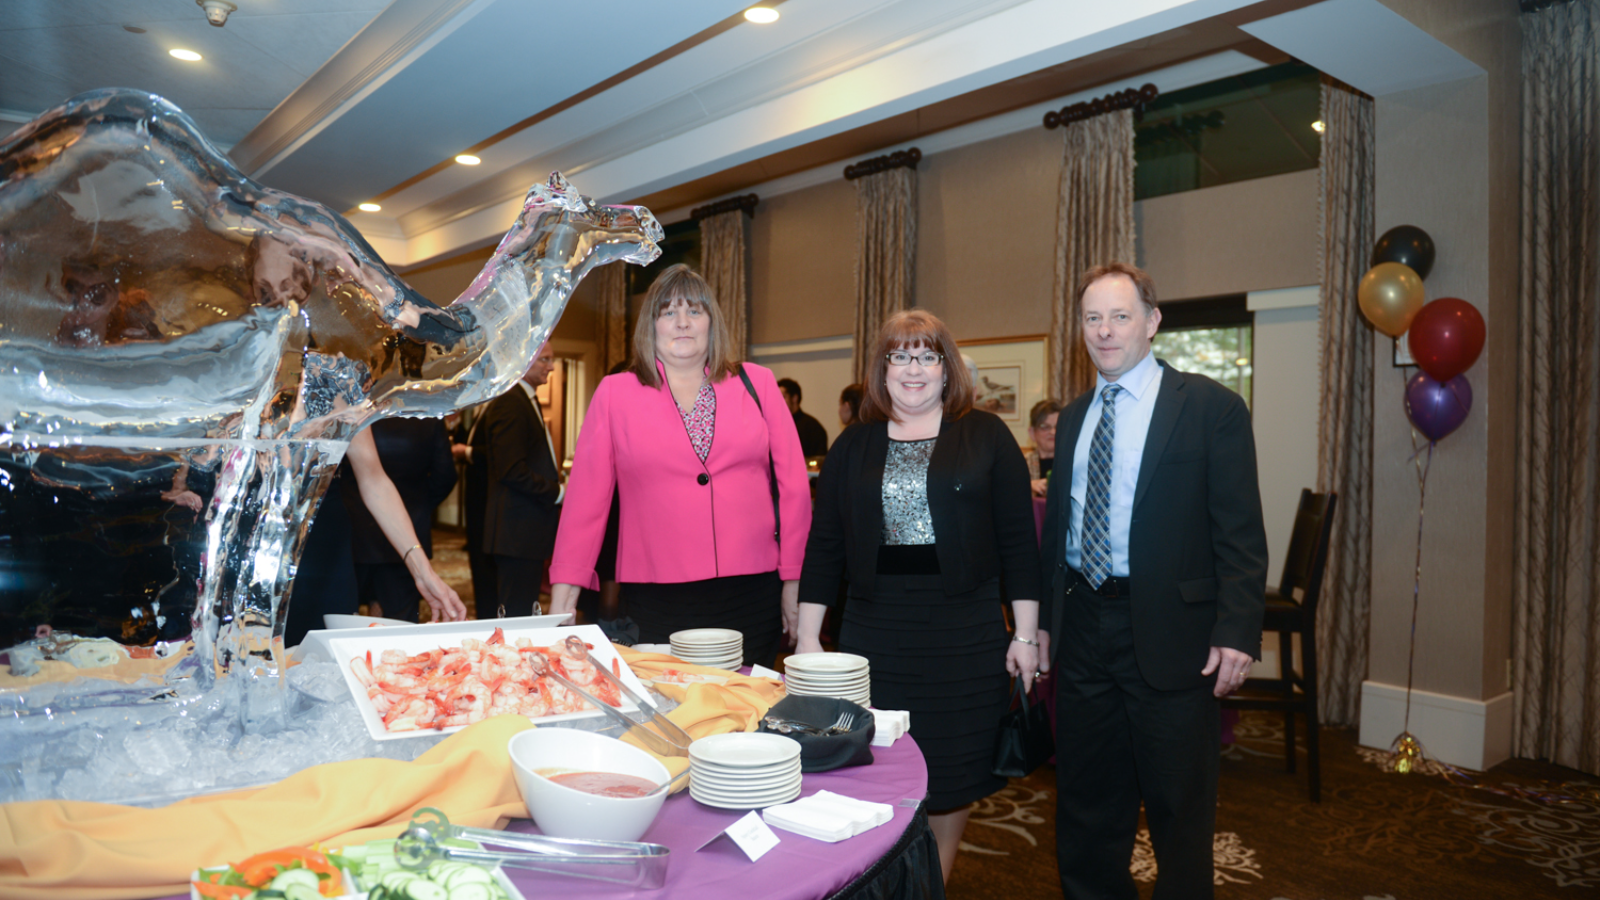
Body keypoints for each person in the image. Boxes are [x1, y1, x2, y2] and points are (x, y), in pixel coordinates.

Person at [1039, 262, 1267, 900]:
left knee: (1179, 810)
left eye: (1119, 316)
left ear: (1152, 321)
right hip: (1085, 632)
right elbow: (1057, 533)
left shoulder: (1211, 409)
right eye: (1092, 318)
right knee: (1087, 805)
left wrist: (1237, 631)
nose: (1105, 331)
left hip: (1175, 634)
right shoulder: (1077, 415)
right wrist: (1046, 629)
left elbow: (1241, 533)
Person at [796, 309, 1041, 885]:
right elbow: (825, 544)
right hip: (874, 634)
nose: (913, 368)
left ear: (946, 368)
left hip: (965, 634)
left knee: (952, 778)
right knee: (873, 767)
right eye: (900, 356)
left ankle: (931, 887)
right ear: (882, 370)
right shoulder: (853, 445)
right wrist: (808, 637)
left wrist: (1026, 636)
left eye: (927, 356)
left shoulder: (986, 435)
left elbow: (1018, 545)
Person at [548, 264, 810, 667]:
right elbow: (585, 505)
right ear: (651, 325)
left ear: (712, 322)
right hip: (656, 595)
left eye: (695, 310)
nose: (682, 322)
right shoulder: (615, 393)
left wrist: (794, 581)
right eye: (668, 312)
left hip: (752, 591)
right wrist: (563, 601)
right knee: (670, 710)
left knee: (747, 709)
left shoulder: (757, 383)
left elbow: (794, 490)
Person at [285, 427, 466, 647]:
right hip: (249, 537)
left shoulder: (341, 394)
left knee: (323, 655)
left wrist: (423, 572)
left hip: (323, 542)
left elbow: (373, 479)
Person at [479, 343, 563, 619]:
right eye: (545, 360)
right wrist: (558, 492)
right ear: (524, 361)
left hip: (524, 532)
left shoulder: (525, 399)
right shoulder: (510, 401)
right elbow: (511, 470)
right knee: (515, 614)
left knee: (524, 609)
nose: (550, 367)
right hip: (515, 532)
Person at [348, 417, 457, 622]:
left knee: (339, 620)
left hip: (355, 532)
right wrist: (420, 507)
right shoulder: (428, 417)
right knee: (401, 619)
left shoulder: (355, 410)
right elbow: (445, 475)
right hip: (408, 530)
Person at [778, 377, 830, 457]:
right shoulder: (775, 425)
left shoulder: (812, 427)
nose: (778, 401)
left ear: (794, 398)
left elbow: (818, 460)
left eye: (783, 397)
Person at [1024, 399, 1061, 498]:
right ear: (1032, 433)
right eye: (1045, 427)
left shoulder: (1072, 462)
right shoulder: (1021, 463)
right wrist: (1027, 486)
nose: (1053, 432)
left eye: (1058, 426)